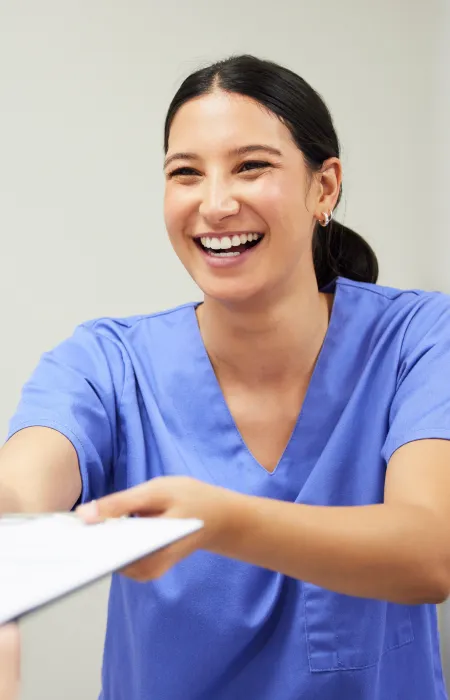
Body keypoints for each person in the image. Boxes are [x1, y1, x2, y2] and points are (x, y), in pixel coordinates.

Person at [1, 54, 449, 700]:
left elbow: (431, 552)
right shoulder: (106, 362)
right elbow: (22, 484)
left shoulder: (420, 339)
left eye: (251, 166)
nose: (215, 203)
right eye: (185, 174)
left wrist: (218, 521)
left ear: (324, 188)